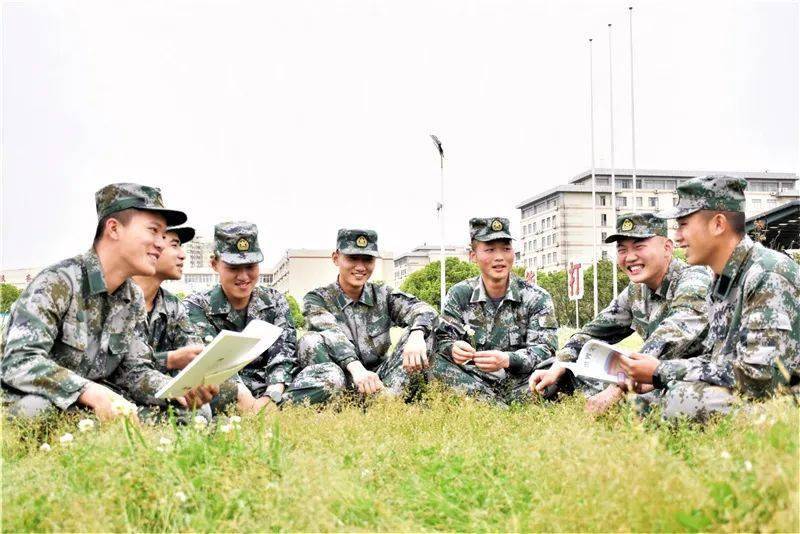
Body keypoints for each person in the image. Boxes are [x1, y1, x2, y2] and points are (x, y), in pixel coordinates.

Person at [1, 183, 219, 421]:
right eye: (153, 231)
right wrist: (87, 391)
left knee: (189, 412)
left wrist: (178, 390)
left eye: (164, 235)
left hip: (99, 407)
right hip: (46, 400)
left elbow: (134, 372)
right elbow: (19, 360)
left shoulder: (132, 298)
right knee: (34, 411)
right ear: (114, 229)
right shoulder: (58, 283)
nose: (160, 243)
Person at [620, 175, 799, 420]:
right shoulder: (722, 279)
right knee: (642, 403)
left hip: (784, 396)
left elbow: (760, 376)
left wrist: (662, 371)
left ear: (717, 224)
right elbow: (719, 359)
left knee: (684, 399)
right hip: (754, 389)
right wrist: (658, 376)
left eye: (683, 224)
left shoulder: (767, 274)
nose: (678, 236)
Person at [530, 213, 712, 414]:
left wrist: (619, 386)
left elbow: (674, 331)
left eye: (639, 246)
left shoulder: (694, 279)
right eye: (622, 249)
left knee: (637, 406)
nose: (630, 257)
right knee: (558, 370)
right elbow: (593, 332)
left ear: (667, 248)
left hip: (698, 374)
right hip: (649, 375)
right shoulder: (636, 291)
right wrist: (560, 362)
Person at [291, 229, 436, 403]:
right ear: (336, 258)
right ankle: (349, 400)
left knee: (427, 329)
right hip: (340, 380)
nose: (360, 267)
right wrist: (357, 369)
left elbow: (424, 309)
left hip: (379, 380)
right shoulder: (317, 299)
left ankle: (387, 400)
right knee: (311, 341)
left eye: (367, 259)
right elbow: (331, 334)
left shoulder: (383, 295)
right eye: (352, 258)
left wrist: (417, 334)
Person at [432, 217, 558, 406]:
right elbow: (443, 340)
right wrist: (453, 349)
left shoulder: (536, 296)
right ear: (473, 255)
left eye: (506, 249)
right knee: (432, 361)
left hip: (520, 380)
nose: (499, 257)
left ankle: (485, 404)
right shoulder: (459, 294)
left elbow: (545, 349)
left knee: (557, 370)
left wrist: (508, 359)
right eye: (490, 250)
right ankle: (493, 403)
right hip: (474, 379)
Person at [185, 222, 298, 409]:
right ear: (214, 264)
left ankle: (271, 408)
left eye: (250, 266)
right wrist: (247, 401)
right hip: (227, 387)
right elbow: (212, 362)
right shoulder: (196, 306)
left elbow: (283, 353)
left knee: (328, 376)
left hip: (270, 385)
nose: (244, 276)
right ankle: (266, 410)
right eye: (233, 267)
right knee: (202, 387)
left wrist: (272, 395)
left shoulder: (275, 300)